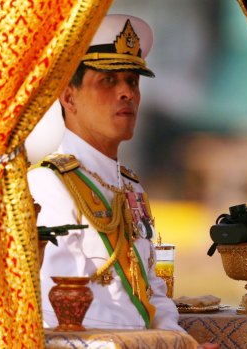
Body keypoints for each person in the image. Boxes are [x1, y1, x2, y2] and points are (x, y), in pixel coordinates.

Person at [28, 13, 183, 332]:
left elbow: (152, 290)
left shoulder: (129, 185)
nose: (127, 93)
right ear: (68, 96)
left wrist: (176, 339)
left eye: (133, 81)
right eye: (108, 80)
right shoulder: (48, 184)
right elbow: (56, 309)